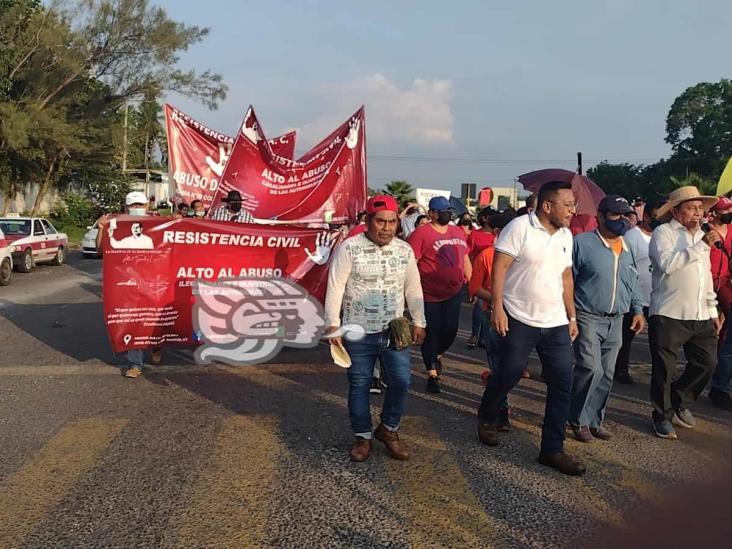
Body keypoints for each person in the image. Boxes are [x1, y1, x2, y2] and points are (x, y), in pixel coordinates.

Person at [477, 180, 586, 476]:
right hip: (519, 317)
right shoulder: (519, 227)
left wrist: (572, 317)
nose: (573, 211)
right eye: (568, 204)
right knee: (510, 373)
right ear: (547, 205)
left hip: (556, 323)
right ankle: (488, 414)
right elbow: (499, 268)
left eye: (573, 204)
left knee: (563, 382)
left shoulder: (566, 235)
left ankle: (552, 449)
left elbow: (566, 278)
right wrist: (497, 307)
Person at [324, 194, 426, 462]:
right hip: (357, 332)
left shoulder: (404, 250)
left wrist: (419, 320)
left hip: (394, 332)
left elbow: (413, 288)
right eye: (380, 221)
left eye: (392, 222)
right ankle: (363, 437)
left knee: (402, 381)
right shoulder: (349, 248)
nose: (387, 227)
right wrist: (332, 324)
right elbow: (336, 286)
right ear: (368, 221)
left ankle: (388, 429)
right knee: (359, 383)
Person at [569, 196, 646, 442]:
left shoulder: (626, 246)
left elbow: (632, 280)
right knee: (591, 368)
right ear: (600, 217)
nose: (621, 220)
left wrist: (637, 310)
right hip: (587, 315)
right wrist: (569, 315)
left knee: (607, 374)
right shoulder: (582, 243)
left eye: (625, 215)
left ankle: (594, 420)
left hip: (618, 319)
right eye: (615, 215)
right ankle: (577, 419)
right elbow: (567, 280)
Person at [648, 186, 722, 439]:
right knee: (664, 370)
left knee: (707, 363)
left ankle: (679, 402)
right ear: (677, 211)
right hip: (669, 313)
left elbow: (705, 278)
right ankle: (662, 416)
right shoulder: (663, 233)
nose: (697, 213)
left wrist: (712, 309)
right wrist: (701, 245)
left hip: (700, 313)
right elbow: (668, 265)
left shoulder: (701, 235)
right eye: (691, 208)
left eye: (700, 208)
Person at [96, 191, 165, 378]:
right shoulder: (118, 226)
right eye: (133, 205)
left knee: (154, 319)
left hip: (153, 282)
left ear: (147, 206)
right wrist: (102, 229)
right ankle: (135, 364)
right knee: (133, 321)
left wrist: (178, 221)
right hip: (127, 285)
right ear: (126, 207)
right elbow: (101, 249)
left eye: (140, 205)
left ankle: (156, 344)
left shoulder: (159, 226)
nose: (137, 209)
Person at [409, 196, 471, 394]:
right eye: (442, 210)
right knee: (432, 332)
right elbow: (411, 264)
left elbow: (465, 257)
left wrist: (470, 280)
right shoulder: (422, 233)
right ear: (432, 213)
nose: (447, 214)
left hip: (454, 291)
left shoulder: (457, 231)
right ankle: (432, 374)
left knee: (451, 330)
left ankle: (438, 353)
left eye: (448, 210)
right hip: (429, 294)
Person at [468, 210, 516, 430]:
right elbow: (475, 288)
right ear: (498, 232)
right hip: (494, 317)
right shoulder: (487, 255)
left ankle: (492, 385)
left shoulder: (524, 255)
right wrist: (499, 300)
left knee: (513, 368)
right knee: (500, 366)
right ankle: (500, 412)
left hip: (521, 319)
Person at [614, 199, 660, 384]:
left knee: (658, 341)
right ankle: (620, 369)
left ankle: (660, 374)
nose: (660, 221)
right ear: (646, 216)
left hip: (656, 296)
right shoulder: (633, 237)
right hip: (636, 296)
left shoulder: (663, 236)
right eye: (656, 216)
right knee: (627, 336)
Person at [707, 197, 732, 411]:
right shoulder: (704, 232)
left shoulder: (731, 231)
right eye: (725, 210)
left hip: (726, 280)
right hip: (707, 281)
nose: (729, 213)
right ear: (714, 213)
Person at [466, 208, 498, 348]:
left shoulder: (496, 236)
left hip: (494, 278)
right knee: (480, 307)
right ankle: (474, 334)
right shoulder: (475, 235)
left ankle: (485, 338)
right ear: (485, 219)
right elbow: (467, 253)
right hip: (479, 276)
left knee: (488, 310)